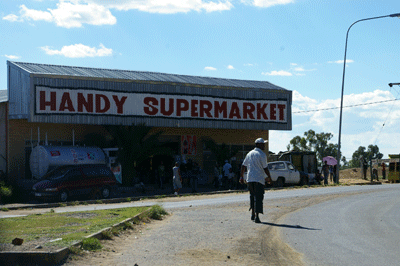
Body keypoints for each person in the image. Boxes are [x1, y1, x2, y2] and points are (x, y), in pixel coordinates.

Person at [240, 138, 272, 224]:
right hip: (259, 179)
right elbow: (265, 168)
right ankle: (257, 216)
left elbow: (243, 166)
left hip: (250, 179)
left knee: (252, 196)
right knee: (258, 197)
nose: (264, 145)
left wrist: (241, 177)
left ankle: (252, 214)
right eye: (263, 144)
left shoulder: (249, 153)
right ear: (258, 144)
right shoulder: (262, 154)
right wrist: (269, 177)